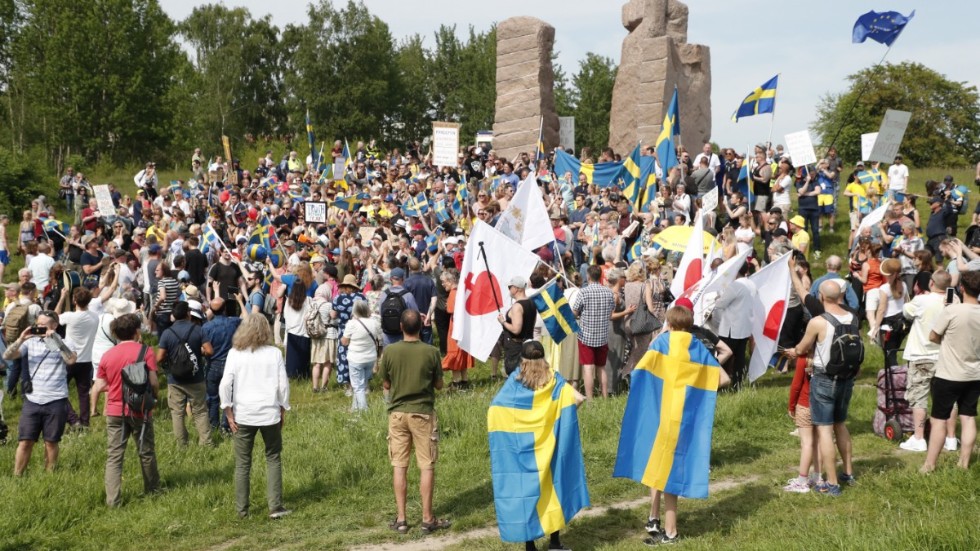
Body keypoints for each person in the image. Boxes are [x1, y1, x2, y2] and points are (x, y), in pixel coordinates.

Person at [489, 340, 587, 551]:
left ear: (522, 360)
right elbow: (579, 398)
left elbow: (496, 408)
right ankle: (554, 543)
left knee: (526, 494)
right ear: (543, 358)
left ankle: (530, 546)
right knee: (553, 490)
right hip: (550, 445)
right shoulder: (554, 381)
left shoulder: (515, 382)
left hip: (522, 450)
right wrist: (557, 419)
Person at [378, 310, 450, 535]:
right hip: (422, 413)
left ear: (401, 327)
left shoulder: (390, 351)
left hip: (397, 414)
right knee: (426, 465)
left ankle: (401, 519)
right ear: (421, 326)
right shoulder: (431, 351)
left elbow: (386, 384)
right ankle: (428, 519)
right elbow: (439, 385)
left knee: (399, 465)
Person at [785, 280, 859, 497]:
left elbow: (802, 348)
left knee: (825, 430)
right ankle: (848, 472)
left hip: (825, 378)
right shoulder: (853, 317)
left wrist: (794, 351)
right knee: (841, 425)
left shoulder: (818, 322)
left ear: (821, 297)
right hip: (847, 378)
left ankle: (832, 483)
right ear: (840, 296)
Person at [219, 314, 291, 519]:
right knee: (273, 457)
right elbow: (283, 383)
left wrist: (228, 410)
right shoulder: (274, 353)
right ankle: (275, 507)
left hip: (244, 414)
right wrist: (283, 407)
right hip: (269, 412)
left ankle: (242, 511)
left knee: (243, 463)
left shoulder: (235, 353)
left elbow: (225, 384)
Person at [89, 313, 160, 506]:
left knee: (114, 456)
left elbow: (100, 384)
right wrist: (155, 396)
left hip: (114, 410)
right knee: (146, 452)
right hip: (140, 410)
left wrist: (116, 383)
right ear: (136, 331)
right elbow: (153, 381)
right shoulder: (145, 351)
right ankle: (153, 490)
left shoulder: (107, 355)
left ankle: (113, 500)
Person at [4, 310, 77, 475]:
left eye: (44, 325)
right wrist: (21, 339)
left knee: (51, 442)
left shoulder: (65, 342)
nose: (39, 328)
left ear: (54, 326)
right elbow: (8, 356)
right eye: (38, 324)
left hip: (56, 399)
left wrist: (56, 341)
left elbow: (71, 360)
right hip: (32, 400)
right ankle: (17, 475)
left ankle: (49, 475)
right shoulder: (30, 343)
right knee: (25, 441)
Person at [920, 270, 980, 473]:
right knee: (969, 416)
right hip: (974, 374)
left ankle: (929, 465)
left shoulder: (952, 311)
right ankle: (963, 464)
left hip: (949, 374)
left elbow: (933, 336)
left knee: (939, 419)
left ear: (961, 288)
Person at [901, 270, 959, 452]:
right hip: (945, 356)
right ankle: (950, 438)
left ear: (931, 283)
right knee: (948, 399)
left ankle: (919, 439)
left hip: (921, 355)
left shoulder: (921, 300)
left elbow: (906, 312)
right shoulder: (954, 300)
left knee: (919, 397)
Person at [157, 301, 211, 446]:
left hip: (175, 379)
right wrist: (198, 352)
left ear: (172, 316)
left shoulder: (167, 333)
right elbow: (210, 350)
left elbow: (159, 357)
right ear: (188, 313)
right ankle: (206, 443)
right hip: (196, 377)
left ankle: (182, 444)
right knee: (200, 411)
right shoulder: (198, 329)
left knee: (177, 412)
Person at [55, 287, 99, 428]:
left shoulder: (70, 316)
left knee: (59, 390)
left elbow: (53, 317)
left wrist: (62, 297)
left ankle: (73, 419)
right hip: (86, 360)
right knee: (84, 393)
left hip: (69, 358)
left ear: (74, 300)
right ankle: (85, 422)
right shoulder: (94, 317)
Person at [572, 265, 615, 399]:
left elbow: (574, 312)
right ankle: (604, 397)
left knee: (588, 368)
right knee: (601, 368)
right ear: (600, 276)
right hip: (602, 335)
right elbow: (611, 311)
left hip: (586, 336)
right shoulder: (608, 292)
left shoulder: (583, 292)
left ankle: (590, 400)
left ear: (588, 276)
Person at [714, 262, 756, 390]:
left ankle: (722, 382)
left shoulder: (736, 285)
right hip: (744, 326)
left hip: (731, 328)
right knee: (740, 357)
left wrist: (718, 298)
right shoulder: (751, 284)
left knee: (724, 355)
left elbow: (720, 304)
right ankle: (737, 384)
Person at [202, 297, 241, 433]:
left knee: (212, 398)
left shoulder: (206, 327)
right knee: (229, 396)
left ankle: (214, 426)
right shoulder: (234, 323)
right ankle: (227, 426)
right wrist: (241, 302)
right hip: (230, 364)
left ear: (211, 310)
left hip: (213, 364)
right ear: (224, 309)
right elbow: (248, 320)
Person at [340, 299, 381, 412]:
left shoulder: (352, 324)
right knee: (362, 384)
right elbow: (379, 337)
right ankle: (354, 407)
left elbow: (344, 341)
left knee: (357, 386)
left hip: (356, 358)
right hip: (370, 358)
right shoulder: (374, 322)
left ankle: (363, 409)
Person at [439, 270, 473, 389]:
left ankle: (456, 382)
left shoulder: (453, 293)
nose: (443, 285)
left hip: (456, 328)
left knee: (455, 353)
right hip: (463, 327)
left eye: (443, 282)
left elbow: (452, 309)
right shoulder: (461, 291)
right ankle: (464, 381)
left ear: (450, 281)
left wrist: (447, 306)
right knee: (462, 354)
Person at [498, 276, 536, 376]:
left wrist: (503, 322)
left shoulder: (517, 306)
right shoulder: (531, 303)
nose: (509, 290)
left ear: (516, 288)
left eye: (510, 287)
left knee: (515, 375)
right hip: (529, 343)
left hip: (517, 347)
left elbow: (516, 330)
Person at [309, 284, 337, 393]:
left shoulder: (311, 304)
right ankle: (324, 387)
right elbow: (334, 319)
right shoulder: (329, 305)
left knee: (316, 363)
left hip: (316, 335)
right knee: (327, 362)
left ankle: (315, 387)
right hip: (328, 335)